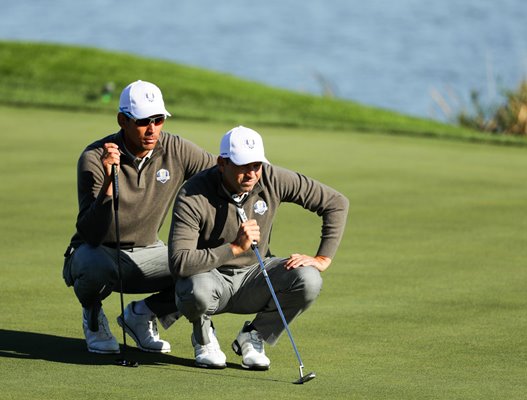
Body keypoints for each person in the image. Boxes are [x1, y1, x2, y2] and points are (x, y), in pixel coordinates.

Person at [168, 126, 349, 369]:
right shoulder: (193, 193)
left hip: (255, 276)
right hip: (210, 278)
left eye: (256, 165)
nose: (252, 173)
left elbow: (336, 203)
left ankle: (254, 336)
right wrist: (233, 248)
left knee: (309, 279)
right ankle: (203, 337)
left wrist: (323, 258)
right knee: (194, 288)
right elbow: (179, 262)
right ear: (222, 163)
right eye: (243, 166)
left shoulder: (271, 178)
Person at [62, 80, 217, 355]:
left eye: (158, 120)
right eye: (143, 121)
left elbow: (222, 175)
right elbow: (91, 233)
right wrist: (111, 181)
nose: (152, 129)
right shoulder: (94, 156)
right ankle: (94, 316)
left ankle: (143, 314)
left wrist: (265, 181)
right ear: (123, 120)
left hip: (150, 252)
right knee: (89, 263)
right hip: (101, 253)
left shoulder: (176, 149)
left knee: (204, 264)